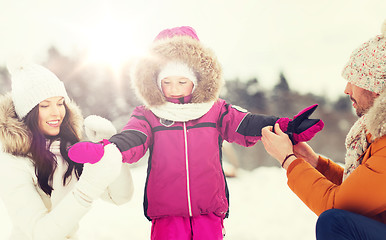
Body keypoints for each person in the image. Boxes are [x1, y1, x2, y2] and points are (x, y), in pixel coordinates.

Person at [68, 26, 323, 240]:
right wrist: (106, 149)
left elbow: (246, 124)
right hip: (166, 214)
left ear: (196, 80)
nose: (174, 89)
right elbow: (134, 138)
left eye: (181, 81)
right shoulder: (148, 114)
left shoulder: (215, 111)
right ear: (156, 82)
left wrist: (287, 127)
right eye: (166, 82)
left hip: (208, 212)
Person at [261, 19, 386, 240]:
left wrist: (288, 160)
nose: (347, 89)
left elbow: (337, 205)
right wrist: (314, 162)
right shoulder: (377, 136)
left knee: (335, 223)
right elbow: (356, 195)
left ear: (376, 87)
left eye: (353, 79)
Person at [0, 62, 134, 240]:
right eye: (45, 106)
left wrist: (111, 148)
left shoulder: (67, 149)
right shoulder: (12, 162)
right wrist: (87, 188)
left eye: (60, 103)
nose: (56, 113)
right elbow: (41, 233)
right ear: (28, 112)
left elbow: (120, 197)